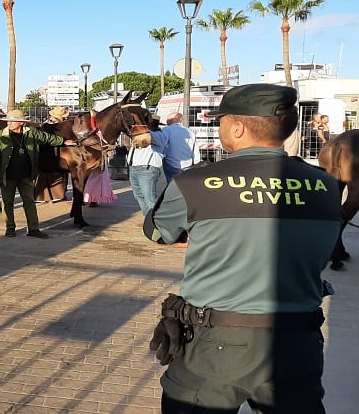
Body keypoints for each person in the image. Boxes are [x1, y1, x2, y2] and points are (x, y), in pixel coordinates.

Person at [143, 84, 342, 412]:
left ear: (237, 127)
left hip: (215, 345)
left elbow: (157, 231)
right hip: (297, 342)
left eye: (221, 121)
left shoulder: (196, 182)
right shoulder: (326, 184)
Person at [0, 109, 77, 238]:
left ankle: (33, 229)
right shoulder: (1, 135)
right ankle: (10, 227)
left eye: (12, 121)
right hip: (7, 176)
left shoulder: (32, 133)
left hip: (26, 175)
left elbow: (48, 138)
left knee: (29, 202)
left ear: (21, 122)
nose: (9, 123)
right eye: (8, 121)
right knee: (7, 202)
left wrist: (64, 141)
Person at [151, 112, 200, 183]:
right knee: (186, 187)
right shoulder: (190, 132)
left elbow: (161, 144)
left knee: (173, 188)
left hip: (171, 164)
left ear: (170, 120)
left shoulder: (166, 130)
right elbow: (195, 149)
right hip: (188, 165)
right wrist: (196, 163)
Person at [35, 106, 70, 203]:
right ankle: (54, 195)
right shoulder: (54, 126)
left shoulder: (46, 125)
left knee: (47, 173)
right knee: (52, 173)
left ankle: (48, 196)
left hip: (49, 151)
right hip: (52, 150)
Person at [127, 142, 164, 215]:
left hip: (147, 168)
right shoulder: (137, 135)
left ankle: (159, 221)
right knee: (138, 195)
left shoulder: (156, 134)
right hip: (133, 167)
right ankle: (149, 218)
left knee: (149, 198)